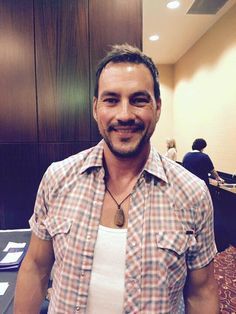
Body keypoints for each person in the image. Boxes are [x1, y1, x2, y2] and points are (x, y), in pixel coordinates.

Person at [14, 44, 219, 313]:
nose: (124, 114)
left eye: (139, 99)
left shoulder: (192, 193)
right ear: (96, 108)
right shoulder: (58, 178)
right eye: (111, 100)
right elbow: (36, 268)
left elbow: (201, 292)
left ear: (157, 107)